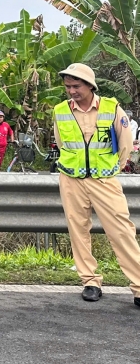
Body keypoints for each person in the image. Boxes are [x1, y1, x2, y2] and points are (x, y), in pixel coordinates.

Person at [51, 63, 140, 306]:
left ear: (90, 85)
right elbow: (61, 143)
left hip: (104, 180)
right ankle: (90, 281)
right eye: (68, 86)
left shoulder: (111, 108)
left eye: (76, 86)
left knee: (121, 230)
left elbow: (125, 145)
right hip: (71, 179)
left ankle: (139, 286)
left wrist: (112, 169)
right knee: (78, 230)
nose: (71, 91)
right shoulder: (60, 111)